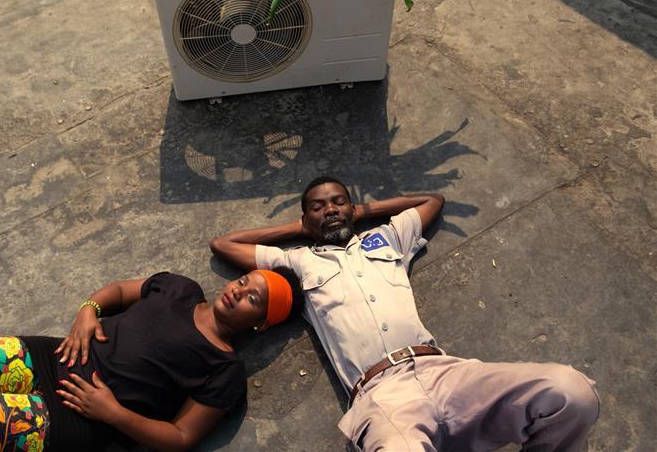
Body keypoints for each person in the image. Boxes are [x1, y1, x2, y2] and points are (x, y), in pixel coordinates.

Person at [209, 176, 600, 451]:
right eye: (318, 206)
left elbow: (432, 201)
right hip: (383, 396)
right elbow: (224, 243)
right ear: (305, 218)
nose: (330, 209)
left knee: (571, 392)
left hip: (445, 373)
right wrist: (299, 227)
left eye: (338, 201)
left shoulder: (387, 238)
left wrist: (362, 211)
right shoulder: (296, 262)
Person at [0, 268, 303, 451]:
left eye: (253, 300)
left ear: (261, 324)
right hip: (54, 355)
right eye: (246, 281)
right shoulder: (180, 288)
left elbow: (180, 439)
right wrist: (88, 311)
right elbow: (117, 291)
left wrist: (114, 413)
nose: (239, 291)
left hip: (82, 418)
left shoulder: (225, 369)